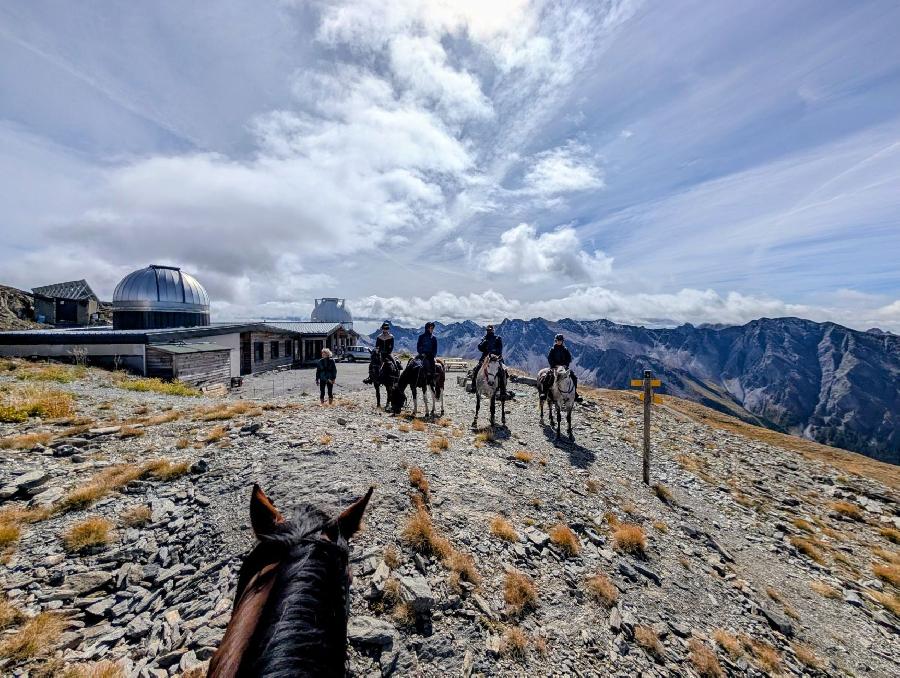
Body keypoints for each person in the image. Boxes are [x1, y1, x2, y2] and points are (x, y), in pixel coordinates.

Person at [547, 333, 581, 401]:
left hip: (564, 367)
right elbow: (549, 358)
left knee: (573, 377)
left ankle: (575, 394)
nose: (559, 341)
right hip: (555, 367)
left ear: (562, 341)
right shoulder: (552, 349)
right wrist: (554, 365)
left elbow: (569, 358)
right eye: (558, 340)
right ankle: (546, 393)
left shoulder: (565, 349)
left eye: (560, 340)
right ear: (555, 341)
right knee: (548, 377)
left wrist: (565, 365)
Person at [469, 324, 503, 392]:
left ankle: (503, 390)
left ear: (493, 330)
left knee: (503, 371)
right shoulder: (484, 338)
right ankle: (474, 386)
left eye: (490, 330)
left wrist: (492, 352)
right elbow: (480, 348)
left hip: (495, 358)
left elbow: (500, 350)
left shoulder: (497, 338)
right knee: (476, 369)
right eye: (488, 330)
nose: (489, 331)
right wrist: (483, 343)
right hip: (485, 358)